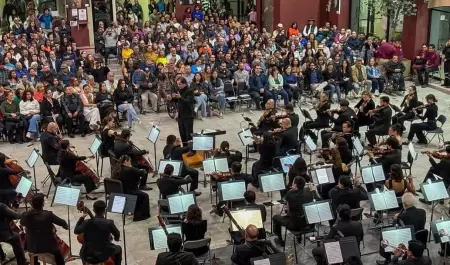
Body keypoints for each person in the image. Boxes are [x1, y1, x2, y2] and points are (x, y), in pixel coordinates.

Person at [377, 194, 427, 265]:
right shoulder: (423, 212)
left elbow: (395, 228)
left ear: (404, 204)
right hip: (420, 240)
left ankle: (387, 259)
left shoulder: (402, 216)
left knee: (385, 235)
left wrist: (395, 219)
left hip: (409, 240)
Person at [20, 193, 68, 265]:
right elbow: (62, 222)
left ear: (32, 204)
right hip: (48, 246)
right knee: (58, 253)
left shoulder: (26, 215)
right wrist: (65, 225)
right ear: (43, 203)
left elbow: (22, 223)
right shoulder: (48, 214)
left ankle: (35, 263)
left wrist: (29, 212)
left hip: (32, 246)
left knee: (33, 252)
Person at [74, 200, 122, 265]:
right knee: (119, 249)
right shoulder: (109, 223)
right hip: (102, 255)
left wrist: (82, 218)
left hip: (86, 253)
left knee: (83, 252)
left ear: (93, 210)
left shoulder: (86, 222)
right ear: (104, 211)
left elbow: (76, 231)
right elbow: (117, 235)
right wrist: (116, 238)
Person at [272, 176, 315, 247]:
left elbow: (284, 201)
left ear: (294, 185)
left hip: (295, 224)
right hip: (308, 222)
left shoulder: (290, 193)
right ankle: (299, 237)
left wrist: (292, 190)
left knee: (275, 218)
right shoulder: (309, 191)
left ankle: (280, 240)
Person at [112, 155, 150, 221]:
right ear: (126, 161)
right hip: (130, 192)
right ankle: (140, 216)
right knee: (145, 196)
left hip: (121, 191)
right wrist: (133, 168)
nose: (130, 163)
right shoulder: (130, 169)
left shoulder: (116, 169)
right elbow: (142, 172)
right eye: (129, 161)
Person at [173, 77, 194, 145]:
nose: (179, 86)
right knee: (182, 133)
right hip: (180, 116)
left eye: (180, 84)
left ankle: (191, 149)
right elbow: (177, 99)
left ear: (184, 83)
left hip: (188, 116)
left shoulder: (190, 91)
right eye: (178, 84)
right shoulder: (179, 90)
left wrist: (180, 97)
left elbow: (188, 101)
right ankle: (185, 148)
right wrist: (171, 98)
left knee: (189, 134)